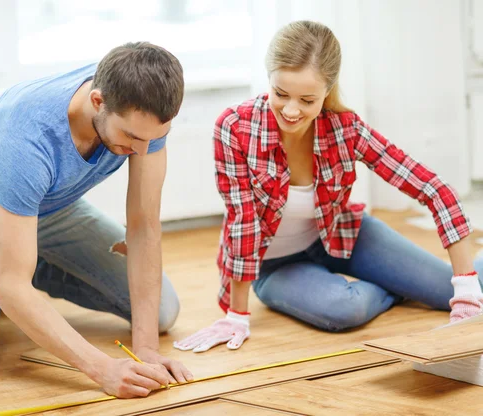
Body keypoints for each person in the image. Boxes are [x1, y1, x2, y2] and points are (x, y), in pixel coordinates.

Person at [174, 21, 483, 353]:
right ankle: (399, 283)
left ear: (327, 90)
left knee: (469, 289)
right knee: (345, 309)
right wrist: (237, 314)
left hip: (343, 235)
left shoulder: (346, 128)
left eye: (307, 100)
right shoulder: (235, 127)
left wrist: (464, 287)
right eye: (281, 94)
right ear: (269, 78)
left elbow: (432, 188)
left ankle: (452, 276)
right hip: (276, 264)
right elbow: (243, 222)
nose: (291, 110)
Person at [0, 42, 193, 397]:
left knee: (162, 313)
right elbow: (11, 287)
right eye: (131, 137)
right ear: (98, 102)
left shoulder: (143, 117)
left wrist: (145, 350)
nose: (143, 151)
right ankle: (5, 266)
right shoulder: (28, 136)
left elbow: (144, 227)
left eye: (155, 138)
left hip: (50, 209)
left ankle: (22, 264)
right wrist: (103, 369)